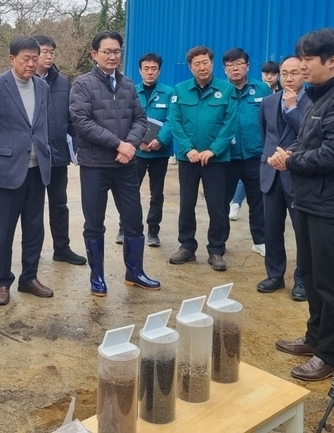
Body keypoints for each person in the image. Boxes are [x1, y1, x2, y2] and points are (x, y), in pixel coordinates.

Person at [270, 28, 334, 382]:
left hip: (333, 206)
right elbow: (310, 141)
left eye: (309, 60)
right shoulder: (320, 97)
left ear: (332, 61)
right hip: (311, 201)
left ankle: (329, 355)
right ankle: (314, 338)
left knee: (331, 283)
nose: (302, 65)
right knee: (311, 277)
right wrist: (292, 153)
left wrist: (291, 163)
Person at [68, 31, 160, 295]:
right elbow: (82, 122)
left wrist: (129, 145)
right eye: (106, 51)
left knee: (133, 219)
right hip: (95, 165)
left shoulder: (128, 85)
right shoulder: (83, 85)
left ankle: (135, 272)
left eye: (116, 51)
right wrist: (118, 144)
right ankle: (97, 276)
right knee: (94, 222)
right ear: (94, 54)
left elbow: (140, 119)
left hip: (125, 165)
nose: (112, 56)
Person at [0, 37, 54, 306]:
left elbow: (40, 125)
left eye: (35, 57)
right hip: (8, 171)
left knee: (34, 229)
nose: (31, 63)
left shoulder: (42, 87)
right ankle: (2, 282)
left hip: (36, 169)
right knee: (5, 231)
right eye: (26, 59)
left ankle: (29, 278)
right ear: (11, 59)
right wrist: (1, 153)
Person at [167, 46, 237, 271]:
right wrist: (188, 149)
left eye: (205, 62)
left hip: (215, 160)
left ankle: (216, 250)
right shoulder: (180, 89)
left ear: (212, 63)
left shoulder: (226, 90)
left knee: (217, 206)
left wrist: (213, 150)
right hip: (189, 160)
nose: (202, 67)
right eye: (196, 64)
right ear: (190, 67)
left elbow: (230, 124)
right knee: (186, 204)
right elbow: (175, 121)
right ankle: (186, 246)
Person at [257, 55, 310, 301]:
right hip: (270, 173)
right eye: (284, 73)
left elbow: (310, 135)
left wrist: (292, 108)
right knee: (271, 228)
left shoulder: (314, 103)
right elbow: (266, 134)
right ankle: (275, 275)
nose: (289, 77)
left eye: (295, 73)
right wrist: (269, 157)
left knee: (303, 232)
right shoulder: (268, 101)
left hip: (297, 174)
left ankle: (303, 280)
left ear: (304, 73)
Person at [33, 34, 86, 265]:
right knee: (32, 210)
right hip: (33, 159)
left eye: (51, 51)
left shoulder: (64, 83)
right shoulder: (23, 80)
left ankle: (62, 248)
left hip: (58, 156)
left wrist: (75, 146)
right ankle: (32, 253)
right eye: (44, 51)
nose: (49, 55)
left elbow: (72, 120)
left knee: (59, 204)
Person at [221, 48, 270, 256]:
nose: (235, 68)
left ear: (247, 66)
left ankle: (260, 241)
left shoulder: (262, 90)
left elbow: (272, 122)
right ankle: (219, 242)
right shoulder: (220, 90)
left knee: (258, 200)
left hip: (255, 155)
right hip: (226, 156)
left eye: (239, 63)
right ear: (224, 69)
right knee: (221, 201)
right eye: (230, 65)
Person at [131, 52, 174, 247]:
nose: (150, 72)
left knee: (157, 193)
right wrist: (136, 141)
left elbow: (172, 120)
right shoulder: (131, 91)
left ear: (159, 70)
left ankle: (153, 230)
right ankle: (127, 227)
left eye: (153, 69)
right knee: (130, 190)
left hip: (160, 152)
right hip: (136, 151)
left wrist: (160, 140)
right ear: (140, 70)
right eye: (146, 69)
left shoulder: (170, 93)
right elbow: (126, 119)